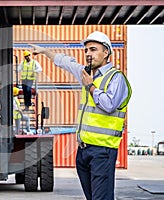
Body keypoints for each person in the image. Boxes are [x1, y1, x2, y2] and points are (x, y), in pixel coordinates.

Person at [30, 31, 132, 200]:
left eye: (93, 50)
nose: (88, 54)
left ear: (106, 52)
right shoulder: (86, 74)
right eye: (86, 51)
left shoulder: (116, 78)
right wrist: (44, 51)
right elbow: (66, 63)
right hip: (84, 150)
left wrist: (90, 86)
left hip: (103, 150)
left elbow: (108, 105)